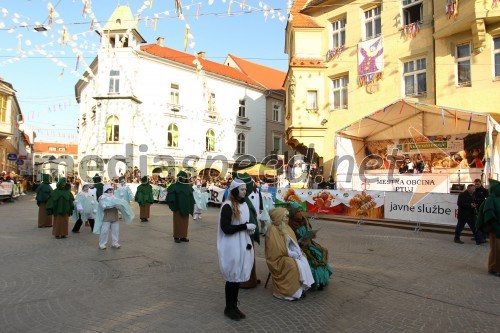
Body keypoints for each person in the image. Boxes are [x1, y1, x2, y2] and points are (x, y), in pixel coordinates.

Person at [217, 178, 256, 320]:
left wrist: (249, 229)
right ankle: (229, 307)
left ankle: (234, 306)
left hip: (242, 242)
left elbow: (243, 223)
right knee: (232, 277)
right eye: (242, 189)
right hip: (232, 244)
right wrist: (244, 227)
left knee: (238, 277)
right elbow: (226, 228)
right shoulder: (227, 206)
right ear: (235, 190)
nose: (245, 192)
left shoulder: (244, 205)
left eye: (245, 189)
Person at [265, 207, 314, 301]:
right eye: (285, 216)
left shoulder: (285, 227)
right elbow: (276, 250)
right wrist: (291, 253)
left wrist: (297, 251)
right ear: (279, 217)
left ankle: (300, 288)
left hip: (287, 253)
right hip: (277, 258)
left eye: (287, 216)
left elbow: (292, 242)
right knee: (292, 265)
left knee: (303, 258)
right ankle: (290, 292)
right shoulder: (272, 230)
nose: (287, 218)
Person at [287, 202, 333, 290]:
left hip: (309, 244)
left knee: (319, 254)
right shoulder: (290, 224)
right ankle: (314, 282)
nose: (301, 213)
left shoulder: (305, 220)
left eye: (301, 211)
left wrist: (312, 235)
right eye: (298, 212)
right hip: (298, 247)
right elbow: (290, 239)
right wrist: (300, 242)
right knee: (311, 260)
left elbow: (309, 231)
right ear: (293, 213)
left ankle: (321, 280)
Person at [94, 183, 135, 250]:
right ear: (105, 190)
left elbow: (119, 204)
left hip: (114, 216)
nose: (110, 191)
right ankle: (102, 244)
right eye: (109, 190)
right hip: (106, 217)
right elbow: (103, 206)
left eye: (111, 190)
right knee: (104, 231)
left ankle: (115, 243)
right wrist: (111, 204)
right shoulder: (102, 198)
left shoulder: (114, 197)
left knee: (115, 231)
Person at [475, 179, 500, 276]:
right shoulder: (490, 200)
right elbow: (489, 215)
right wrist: (497, 228)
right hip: (495, 230)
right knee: (497, 250)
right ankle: (494, 268)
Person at [166, 171, 195, 243]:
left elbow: (191, 197)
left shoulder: (188, 187)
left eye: (185, 177)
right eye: (183, 177)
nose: (184, 179)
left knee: (185, 223)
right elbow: (170, 197)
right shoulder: (174, 186)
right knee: (177, 223)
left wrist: (191, 205)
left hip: (186, 208)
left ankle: (183, 236)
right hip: (177, 208)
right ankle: (176, 236)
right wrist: (173, 205)